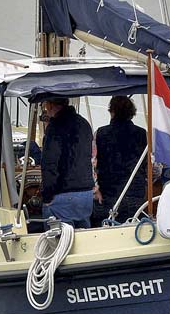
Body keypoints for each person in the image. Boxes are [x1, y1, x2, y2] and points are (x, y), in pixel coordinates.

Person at [92, 96, 148, 226]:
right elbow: (153, 167)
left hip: (106, 195)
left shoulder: (100, 133)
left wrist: (96, 189)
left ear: (111, 111)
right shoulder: (143, 134)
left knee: (104, 237)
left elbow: (92, 164)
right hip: (135, 196)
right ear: (132, 113)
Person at [40, 98, 95, 228]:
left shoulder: (54, 127)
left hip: (63, 194)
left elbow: (49, 164)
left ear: (49, 104)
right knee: (83, 241)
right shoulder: (84, 124)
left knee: (59, 244)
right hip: (86, 194)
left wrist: (47, 197)